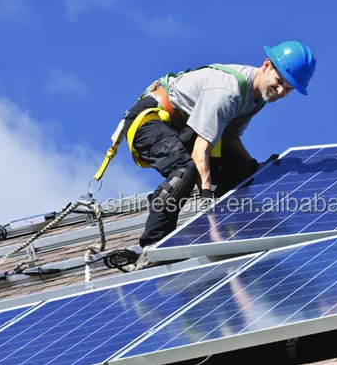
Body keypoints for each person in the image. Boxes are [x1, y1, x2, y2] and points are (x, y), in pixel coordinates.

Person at [120, 40, 316, 252]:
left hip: (184, 129)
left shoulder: (258, 98)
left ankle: (236, 230)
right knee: (184, 171)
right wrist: (207, 200)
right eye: (279, 82)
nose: (279, 91)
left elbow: (229, 137)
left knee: (243, 171)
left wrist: (253, 168)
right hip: (150, 121)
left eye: (287, 89)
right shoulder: (228, 91)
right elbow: (200, 150)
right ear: (266, 65)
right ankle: (154, 245)